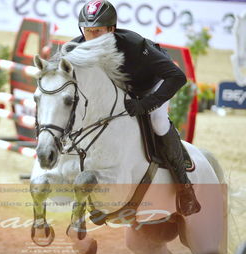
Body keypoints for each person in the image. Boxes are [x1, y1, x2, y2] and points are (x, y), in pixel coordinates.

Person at [72, 0, 201, 216]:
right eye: (88, 31)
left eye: (98, 31)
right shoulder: (77, 47)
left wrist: (145, 105)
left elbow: (177, 77)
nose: (91, 37)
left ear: (111, 29)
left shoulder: (134, 45)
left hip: (153, 84)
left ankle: (184, 188)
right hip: (125, 90)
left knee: (157, 121)